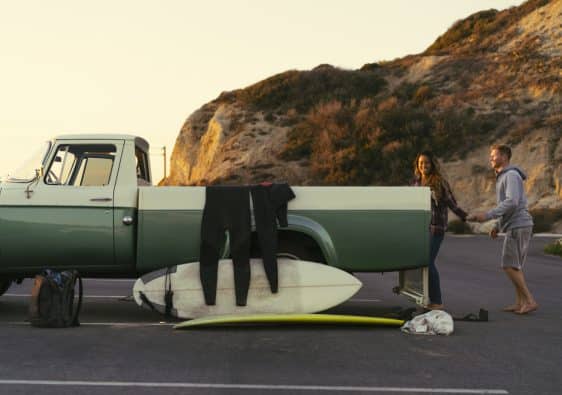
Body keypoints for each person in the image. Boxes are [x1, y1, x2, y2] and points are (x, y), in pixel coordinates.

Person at [468, 144, 537, 315]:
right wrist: (497, 226)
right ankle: (520, 302)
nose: (491, 158)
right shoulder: (504, 176)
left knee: (508, 265)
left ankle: (529, 300)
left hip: (518, 224)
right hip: (517, 225)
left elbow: (512, 202)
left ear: (504, 157)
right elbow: (506, 205)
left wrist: (489, 215)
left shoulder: (511, 175)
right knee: (515, 266)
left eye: (494, 155)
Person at [413, 151, 468, 310]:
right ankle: (427, 299)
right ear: (417, 165)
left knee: (428, 262)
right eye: (421, 163)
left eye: (427, 163)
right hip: (420, 229)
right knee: (423, 263)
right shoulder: (416, 182)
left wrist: (465, 217)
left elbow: (452, 204)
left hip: (436, 228)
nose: (424, 166)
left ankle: (437, 301)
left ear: (433, 164)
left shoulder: (440, 182)